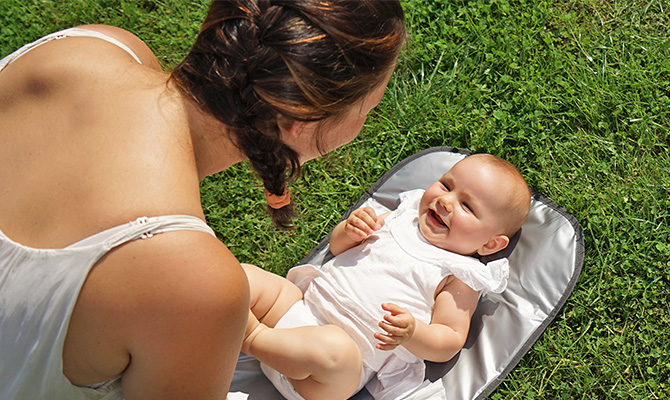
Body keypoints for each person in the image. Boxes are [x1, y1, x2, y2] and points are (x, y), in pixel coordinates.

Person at [0, 1, 406, 399]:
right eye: (368, 108)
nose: (365, 120)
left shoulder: (90, 45)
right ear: (299, 123)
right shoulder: (190, 283)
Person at [241, 154, 532, 400]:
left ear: (490, 244)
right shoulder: (401, 216)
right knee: (246, 278)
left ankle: (251, 338)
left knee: (334, 348)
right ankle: (216, 311)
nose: (445, 201)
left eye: (467, 206)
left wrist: (414, 333)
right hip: (300, 308)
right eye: (446, 185)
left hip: (330, 368)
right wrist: (349, 231)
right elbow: (337, 249)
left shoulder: (460, 274)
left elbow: (450, 339)